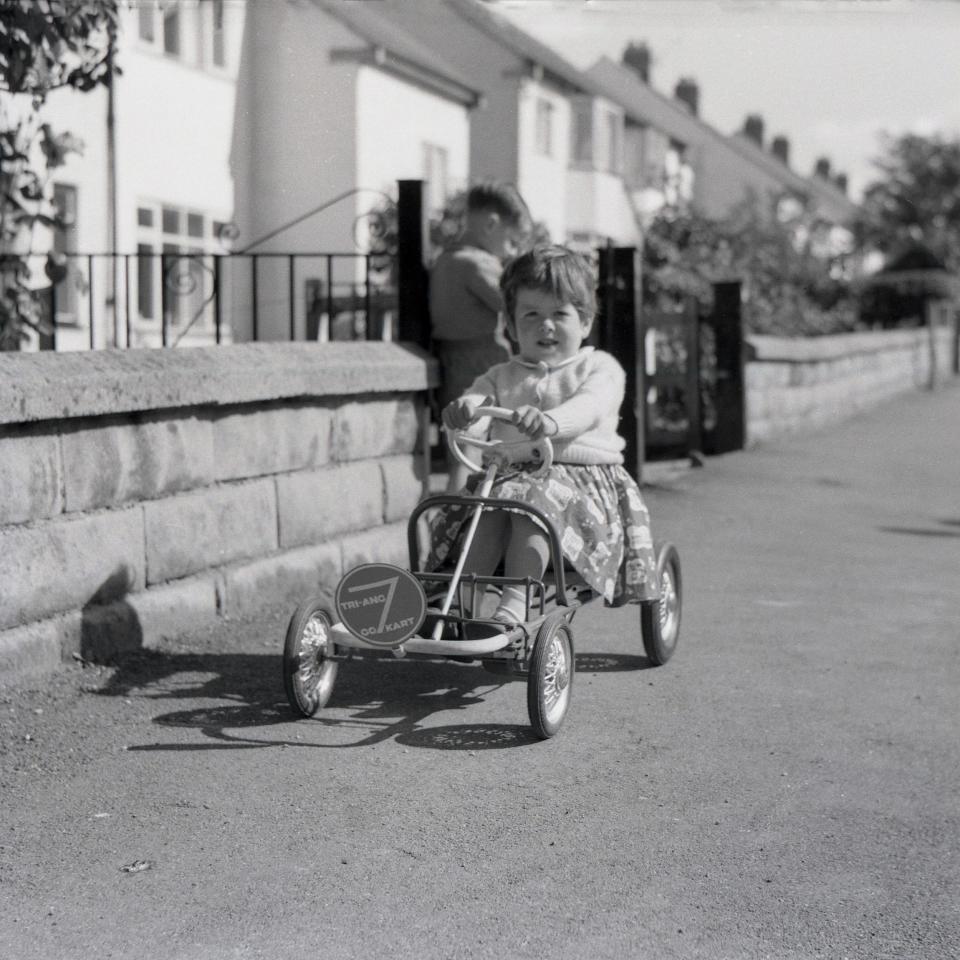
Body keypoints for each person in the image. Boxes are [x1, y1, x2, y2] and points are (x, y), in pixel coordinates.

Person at [429, 244, 659, 626]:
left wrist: (549, 422)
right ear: (511, 325)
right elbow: (478, 404)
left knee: (526, 500)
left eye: (559, 314)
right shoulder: (501, 374)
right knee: (491, 504)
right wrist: (465, 412)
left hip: (580, 484)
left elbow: (589, 407)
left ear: (584, 322)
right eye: (531, 314)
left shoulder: (598, 367)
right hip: (509, 480)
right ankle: (460, 604)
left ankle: (514, 604)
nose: (545, 325)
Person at [429, 181, 531, 490]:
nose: (512, 252)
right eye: (513, 242)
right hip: (482, 363)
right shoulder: (478, 264)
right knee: (474, 453)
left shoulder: (445, 259)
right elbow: (520, 305)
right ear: (491, 225)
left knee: (463, 451)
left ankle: (455, 523)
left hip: (453, 362)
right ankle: (462, 523)